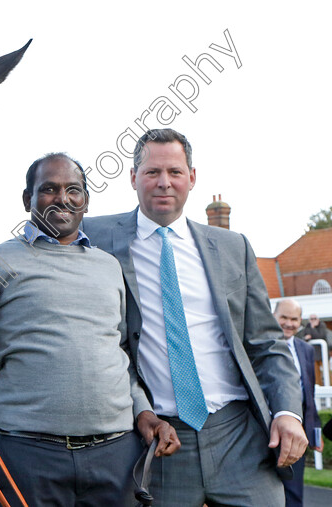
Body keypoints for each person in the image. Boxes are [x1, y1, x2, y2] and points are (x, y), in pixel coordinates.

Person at [0, 153, 179, 506]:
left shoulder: (109, 267)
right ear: (27, 200)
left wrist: (144, 412)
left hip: (117, 454)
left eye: (73, 190)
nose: (62, 198)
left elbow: (119, 353)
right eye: (48, 189)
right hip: (30, 456)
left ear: (86, 201)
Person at [82, 128, 306, 506]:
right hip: (161, 441)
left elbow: (267, 344)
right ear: (133, 178)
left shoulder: (234, 247)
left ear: (192, 177)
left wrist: (287, 412)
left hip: (240, 437)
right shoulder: (96, 238)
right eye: (152, 172)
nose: (164, 183)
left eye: (174, 172)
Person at [274, 299, 323, 506]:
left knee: (293, 494)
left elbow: (309, 395)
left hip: (297, 434)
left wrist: (316, 431)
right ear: (273, 317)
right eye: (283, 317)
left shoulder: (306, 349)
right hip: (261, 432)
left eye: (294, 319)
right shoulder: (257, 347)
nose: (289, 323)